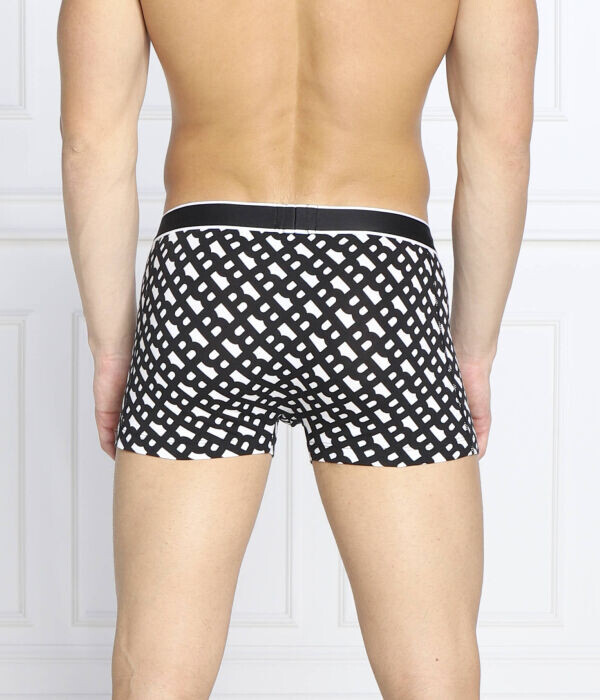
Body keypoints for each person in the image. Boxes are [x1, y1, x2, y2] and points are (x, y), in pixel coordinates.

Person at [57, 0, 538, 697]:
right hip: (379, 283)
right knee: (432, 674)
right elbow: (501, 145)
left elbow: (89, 142)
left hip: (208, 279)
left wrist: (112, 349)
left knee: (159, 675)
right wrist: (472, 353)